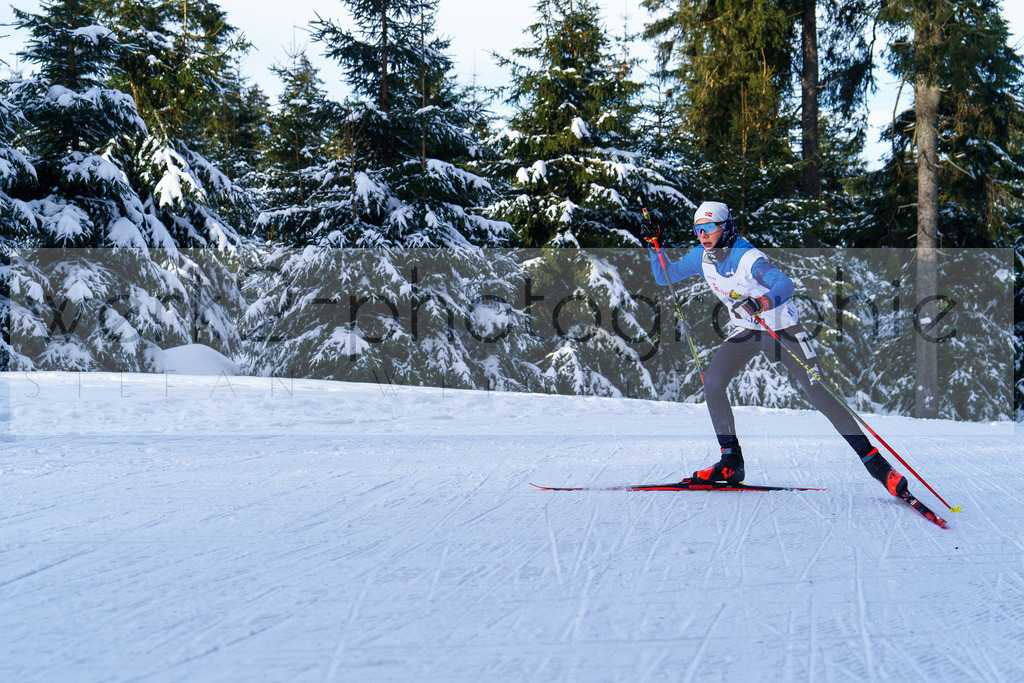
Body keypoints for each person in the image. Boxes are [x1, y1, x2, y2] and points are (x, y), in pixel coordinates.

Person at [640, 200, 908, 495]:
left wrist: (762, 302)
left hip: (783, 330)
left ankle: (879, 468)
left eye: (709, 227)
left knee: (820, 394)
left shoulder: (748, 257)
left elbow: (785, 284)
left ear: (725, 227)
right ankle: (731, 462)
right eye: (698, 229)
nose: (703, 235)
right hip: (747, 331)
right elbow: (665, 276)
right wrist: (654, 245)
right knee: (713, 382)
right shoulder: (700, 257)